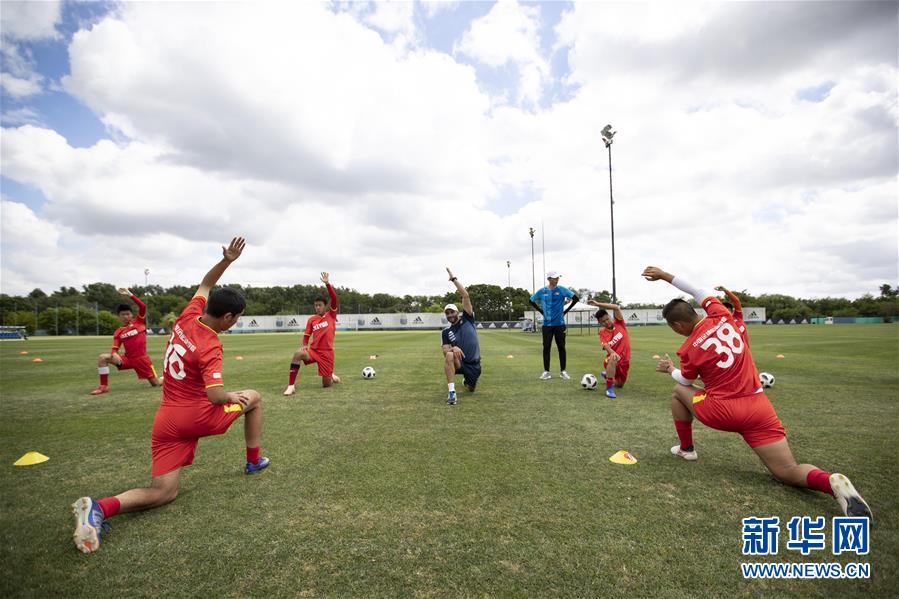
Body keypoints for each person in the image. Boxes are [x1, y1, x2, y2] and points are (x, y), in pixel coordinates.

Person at [71, 238, 269, 554]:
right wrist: (234, 395)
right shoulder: (211, 344)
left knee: (164, 492)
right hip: (196, 416)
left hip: (166, 419)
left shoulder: (187, 317)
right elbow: (217, 395)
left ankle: (99, 508)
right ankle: (253, 461)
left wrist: (227, 261)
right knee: (255, 397)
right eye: (238, 318)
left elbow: (206, 283)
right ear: (229, 317)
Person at [642, 265, 871, 518]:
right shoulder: (722, 314)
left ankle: (687, 449)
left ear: (677, 325)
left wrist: (670, 369)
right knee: (786, 470)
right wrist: (664, 275)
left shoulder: (689, 348)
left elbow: (685, 381)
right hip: (759, 406)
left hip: (723, 410)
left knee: (677, 391)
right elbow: (697, 289)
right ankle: (829, 482)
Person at [91, 288, 162, 394]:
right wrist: (114, 353)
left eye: (128, 314)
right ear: (119, 316)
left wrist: (129, 294)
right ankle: (103, 386)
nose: (126, 316)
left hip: (142, 360)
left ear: (131, 314)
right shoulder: (118, 332)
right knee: (103, 358)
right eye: (123, 314)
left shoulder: (138, 322)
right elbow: (115, 347)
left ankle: (167, 377)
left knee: (156, 383)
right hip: (127, 359)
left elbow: (143, 306)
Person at [283, 272, 341, 396]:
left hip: (327, 353)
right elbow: (306, 335)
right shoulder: (312, 319)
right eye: (315, 305)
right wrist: (304, 344)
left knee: (326, 385)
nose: (317, 307)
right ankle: (291, 386)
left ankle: (330, 375)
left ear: (325, 306)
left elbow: (334, 298)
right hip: (314, 351)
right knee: (298, 354)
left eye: (320, 305)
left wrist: (327, 284)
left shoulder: (331, 315)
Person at [441, 267, 481, 406]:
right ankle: (452, 393)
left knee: (471, 389)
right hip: (460, 362)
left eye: (452, 312)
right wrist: (453, 349)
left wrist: (454, 280)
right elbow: (445, 351)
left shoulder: (468, 318)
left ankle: (467, 381)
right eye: (447, 313)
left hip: (474, 364)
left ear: (457, 312)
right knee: (449, 356)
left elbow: (465, 296)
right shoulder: (446, 332)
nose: (450, 315)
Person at [529, 271, 579, 380]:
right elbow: (531, 300)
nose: (557, 279)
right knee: (546, 347)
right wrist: (541, 311)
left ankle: (563, 371)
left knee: (561, 347)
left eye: (558, 278)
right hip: (547, 325)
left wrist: (565, 311)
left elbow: (576, 299)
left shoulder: (562, 289)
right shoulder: (542, 291)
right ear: (549, 279)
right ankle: (546, 372)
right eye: (555, 278)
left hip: (560, 324)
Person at [587, 300, 631, 399]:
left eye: (607, 319)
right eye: (603, 321)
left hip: (625, 360)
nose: (607, 322)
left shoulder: (619, 323)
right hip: (611, 360)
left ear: (610, 317)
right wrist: (613, 353)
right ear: (600, 322)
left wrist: (598, 304)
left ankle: (607, 374)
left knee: (620, 385)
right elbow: (606, 346)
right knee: (612, 357)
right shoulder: (602, 332)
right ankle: (609, 389)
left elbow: (616, 307)